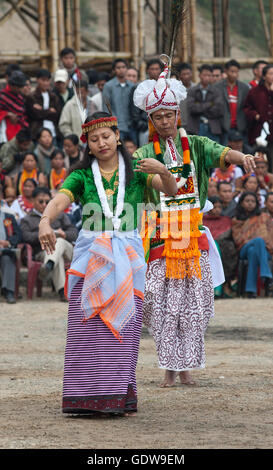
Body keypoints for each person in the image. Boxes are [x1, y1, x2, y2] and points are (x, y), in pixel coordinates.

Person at [38, 110, 177, 416]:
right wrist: (46, 219)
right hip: (91, 256)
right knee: (86, 328)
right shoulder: (82, 175)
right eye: (93, 139)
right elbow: (60, 199)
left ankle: (116, 396)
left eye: (106, 136)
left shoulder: (139, 170)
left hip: (127, 256)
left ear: (117, 137)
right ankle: (85, 397)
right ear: (86, 145)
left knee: (123, 330)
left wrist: (164, 172)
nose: (101, 143)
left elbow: (172, 191)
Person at [133, 59, 256, 387]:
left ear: (178, 115)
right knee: (160, 302)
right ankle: (167, 367)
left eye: (168, 115)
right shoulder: (144, 153)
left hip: (192, 235)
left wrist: (241, 158)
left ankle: (185, 367)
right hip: (160, 236)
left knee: (193, 304)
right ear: (151, 120)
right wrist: (161, 171)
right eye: (157, 116)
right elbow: (162, 187)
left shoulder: (197, 145)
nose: (163, 121)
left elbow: (221, 151)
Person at [21, 186, 78, 302]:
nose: (44, 204)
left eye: (47, 202)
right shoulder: (27, 219)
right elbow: (26, 237)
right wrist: (45, 234)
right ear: (33, 201)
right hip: (42, 252)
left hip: (67, 250)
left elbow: (74, 233)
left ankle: (48, 266)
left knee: (59, 242)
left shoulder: (60, 215)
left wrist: (63, 234)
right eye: (40, 201)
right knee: (55, 253)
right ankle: (62, 291)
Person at [232, 191, 273, 298]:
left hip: (264, 250)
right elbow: (238, 239)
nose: (250, 203)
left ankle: (251, 290)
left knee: (253, 252)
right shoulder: (237, 219)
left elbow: (270, 235)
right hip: (243, 249)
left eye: (253, 201)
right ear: (241, 203)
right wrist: (252, 239)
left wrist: (255, 240)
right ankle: (266, 274)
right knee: (258, 241)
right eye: (247, 201)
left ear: (257, 204)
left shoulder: (264, 217)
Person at [203, 196, 237, 299]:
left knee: (226, 248)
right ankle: (213, 289)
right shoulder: (202, 220)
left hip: (223, 246)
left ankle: (222, 287)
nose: (217, 209)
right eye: (214, 207)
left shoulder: (226, 220)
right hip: (206, 247)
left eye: (219, 207)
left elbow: (228, 234)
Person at [243, 65, 273, 171]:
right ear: (264, 76)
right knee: (259, 159)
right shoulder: (255, 92)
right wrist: (255, 114)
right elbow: (246, 108)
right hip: (259, 132)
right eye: (271, 74)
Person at [215, 59, 249, 146]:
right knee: (224, 154)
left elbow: (247, 107)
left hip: (240, 127)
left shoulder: (244, 88)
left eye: (236, 72)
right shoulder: (217, 87)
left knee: (242, 154)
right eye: (232, 71)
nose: (234, 74)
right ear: (226, 71)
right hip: (224, 127)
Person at [102, 59, 136, 143]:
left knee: (135, 150)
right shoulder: (108, 86)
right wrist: (112, 124)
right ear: (114, 70)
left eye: (123, 67)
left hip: (132, 125)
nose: (121, 70)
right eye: (118, 67)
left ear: (127, 69)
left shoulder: (132, 86)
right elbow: (106, 107)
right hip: (117, 126)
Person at [187, 64, 223, 142]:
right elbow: (192, 108)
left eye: (209, 75)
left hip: (213, 128)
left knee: (214, 152)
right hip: (196, 127)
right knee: (196, 151)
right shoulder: (192, 90)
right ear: (199, 75)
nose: (207, 77)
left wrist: (199, 106)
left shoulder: (216, 91)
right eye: (204, 75)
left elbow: (218, 110)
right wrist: (210, 104)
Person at [0, 186, 21, 304]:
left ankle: (9, 292)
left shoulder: (8, 215)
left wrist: (8, 242)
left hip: (5, 250)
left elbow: (18, 234)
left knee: (8, 259)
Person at [0, 71, 29, 144]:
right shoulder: (2, 96)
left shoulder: (20, 97)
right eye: (19, 87)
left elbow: (22, 114)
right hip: (4, 133)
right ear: (12, 85)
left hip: (19, 132)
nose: (21, 89)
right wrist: (7, 114)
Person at [175, 62, 196, 132]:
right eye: (184, 74)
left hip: (194, 125)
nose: (186, 76)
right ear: (179, 75)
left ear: (192, 74)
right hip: (179, 126)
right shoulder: (175, 89)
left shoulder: (196, 88)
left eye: (188, 73)